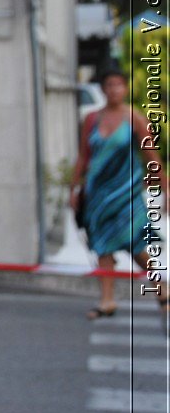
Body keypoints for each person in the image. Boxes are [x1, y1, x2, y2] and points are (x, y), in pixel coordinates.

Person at [71, 68, 166, 321]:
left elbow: (152, 157)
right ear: (103, 89)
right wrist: (74, 188)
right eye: (109, 85)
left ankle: (161, 289)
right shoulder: (92, 119)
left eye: (118, 85)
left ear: (125, 89)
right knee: (102, 246)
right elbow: (83, 155)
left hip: (127, 194)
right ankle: (107, 300)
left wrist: (166, 189)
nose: (114, 90)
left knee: (136, 244)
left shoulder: (134, 118)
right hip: (98, 194)